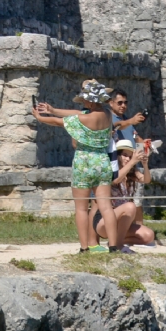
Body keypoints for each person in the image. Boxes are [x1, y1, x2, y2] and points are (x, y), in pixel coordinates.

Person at [35, 79, 123, 254]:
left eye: (85, 99)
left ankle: (84, 248)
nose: (83, 102)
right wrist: (52, 110)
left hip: (84, 162)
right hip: (102, 161)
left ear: (90, 100)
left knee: (81, 208)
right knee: (106, 206)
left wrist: (40, 118)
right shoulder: (107, 114)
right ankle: (113, 246)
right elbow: (75, 112)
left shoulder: (83, 119)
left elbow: (60, 122)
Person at [96, 138, 158, 248]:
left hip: (124, 222)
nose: (128, 159)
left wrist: (145, 165)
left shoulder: (131, 172)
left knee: (149, 236)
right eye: (125, 155)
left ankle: (115, 240)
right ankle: (118, 245)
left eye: (130, 156)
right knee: (130, 206)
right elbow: (115, 180)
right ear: (118, 156)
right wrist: (133, 162)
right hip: (105, 221)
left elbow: (147, 180)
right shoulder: (111, 170)